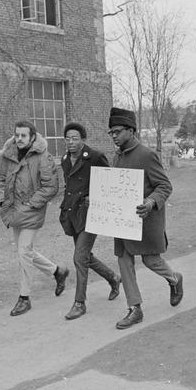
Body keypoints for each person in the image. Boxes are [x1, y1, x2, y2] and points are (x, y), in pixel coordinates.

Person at [107, 107, 183, 329]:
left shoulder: (147, 155)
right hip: (123, 222)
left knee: (151, 261)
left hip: (146, 220)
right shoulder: (117, 156)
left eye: (117, 131)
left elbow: (164, 186)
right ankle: (135, 308)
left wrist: (150, 202)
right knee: (124, 260)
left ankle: (174, 279)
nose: (113, 136)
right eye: (110, 132)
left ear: (131, 130)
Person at [0, 120, 69, 317]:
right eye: (17, 135)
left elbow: (51, 187)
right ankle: (57, 271)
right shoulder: (8, 155)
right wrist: (2, 201)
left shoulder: (42, 157)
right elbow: (2, 181)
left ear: (32, 137)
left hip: (32, 211)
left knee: (23, 252)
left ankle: (24, 298)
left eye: (23, 136)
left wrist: (30, 205)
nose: (19, 139)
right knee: (25, 252)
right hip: (13, 211)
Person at [58, 122, 122, 320]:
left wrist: (94, 196)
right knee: (85, 256)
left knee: (79, 257)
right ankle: (113, 278)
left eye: (75, 138)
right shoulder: (65, 160)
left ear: (83, 140)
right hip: (73, 214)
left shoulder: (94, 157)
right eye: (67, 138)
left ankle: (79, 303)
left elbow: (110, 183)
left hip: (91, 214)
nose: (70, 142)